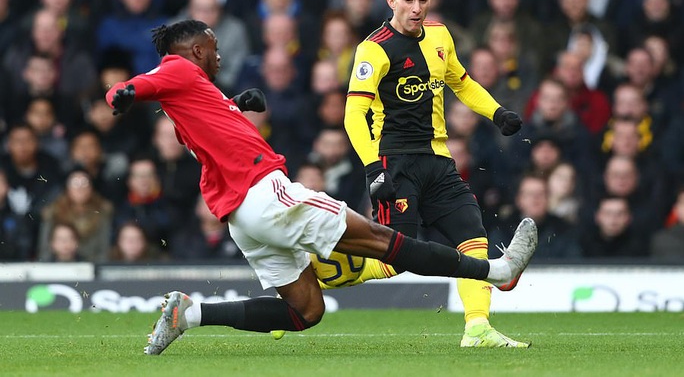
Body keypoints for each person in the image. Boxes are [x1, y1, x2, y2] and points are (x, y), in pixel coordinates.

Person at [104, 19, 537, 355]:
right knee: (388, 241)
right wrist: (123, 93)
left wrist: (237, 104)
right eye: (214, 51)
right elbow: (143, 84)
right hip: (266, 193)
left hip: (240, 218)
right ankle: (496, 272)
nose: (218, 58)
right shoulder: (178, 69)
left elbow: (207, 123)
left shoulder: (193, 94)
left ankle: (190, 314)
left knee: (305, 311)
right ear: (197, 50)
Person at [336, 0, 529, 348]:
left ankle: (477, 328)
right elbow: (353, 114)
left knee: (472, 233)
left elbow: (461, 81)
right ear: (391, 1)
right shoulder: (373, 49)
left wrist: (496, 113)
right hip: (395, 161)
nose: (416, 7)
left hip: (438, 158)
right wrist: (375, 168)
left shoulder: (440, 35)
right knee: (394, 258)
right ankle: (315, 276)